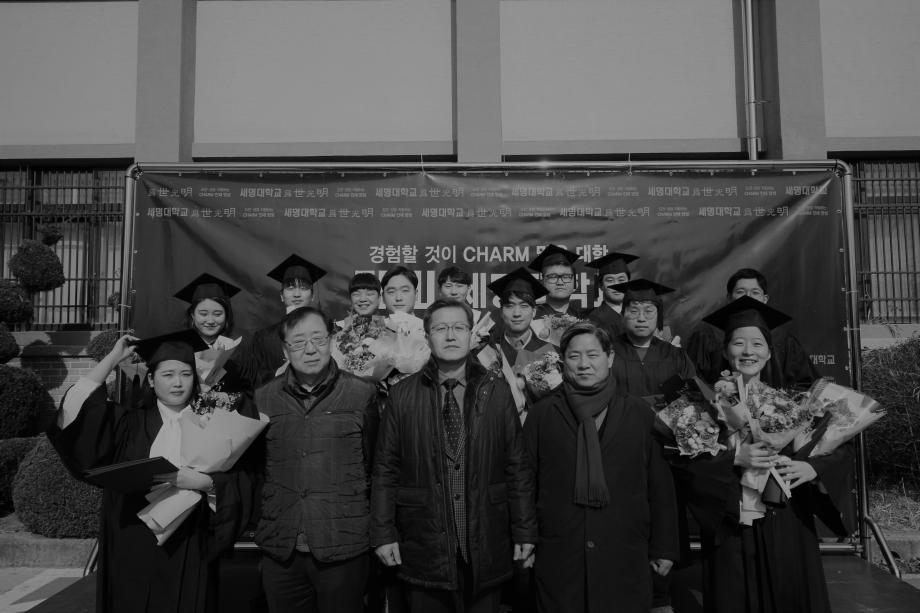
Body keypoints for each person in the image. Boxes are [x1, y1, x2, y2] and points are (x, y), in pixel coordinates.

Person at [47, 330, 257, 613]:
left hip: (191, 543)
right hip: (133, 543)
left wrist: (207, 483)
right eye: (168, 374)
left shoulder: (212, 423)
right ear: (150, 379)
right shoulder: (127, 423)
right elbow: (76, 411)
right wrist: (112, 359)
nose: (177, 383)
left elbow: (246, 480)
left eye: (185, 374)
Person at [371, 299, 537, 613]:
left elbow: (517, 468)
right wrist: (382, 533)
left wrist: (525, 530)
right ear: (427, 336)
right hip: (424, 543)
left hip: (486, 539)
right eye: (441, 328)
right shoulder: (402, 395)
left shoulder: (497, 391)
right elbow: (385, 470)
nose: (450, 336)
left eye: (459, 327)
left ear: (471, 333)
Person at [696, 297, 853, 613]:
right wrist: (735, 457)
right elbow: (687, 465)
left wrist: (812, 468)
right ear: (725, 351)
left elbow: (838, 446)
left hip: (785, 518)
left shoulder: (792, 403)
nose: (748, 351)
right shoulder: (703, 405)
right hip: (731, 522)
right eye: (738, 343)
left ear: (769, 353)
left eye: (757, 344)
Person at [522, 321, 679, 613]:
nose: (584, 364)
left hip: (624, 550)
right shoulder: (542, 415)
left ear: (610, 358)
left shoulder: (639, 412)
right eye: (574, 356)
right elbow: (525, 482)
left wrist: (665, 546)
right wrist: (525, 536)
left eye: (593, 355)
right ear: (562, 361)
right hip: (561, 552)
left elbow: (660, 486)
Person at [254, 306, 380, 613]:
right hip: (282, 547)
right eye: (298, 342)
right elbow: (258, 468)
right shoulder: (263, 398)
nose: (310, 349)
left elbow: (376, 465)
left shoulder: (362, 393)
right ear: (285, 350)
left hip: (343, 544)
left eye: (318, 339)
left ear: (331, 340)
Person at [686, 268, 819, 389]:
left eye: (755, 292)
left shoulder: (783, 339)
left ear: (765, 299)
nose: (748, 297)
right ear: (729, 298)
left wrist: (775, 400)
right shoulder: (706, 335)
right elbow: (691, 382)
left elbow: (807, 385)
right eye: (740, 292)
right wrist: (719, 392)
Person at [233, 254, 327, 389]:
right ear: (282, 296)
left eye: (303, 288)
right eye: (290, 288)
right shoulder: (263, 338)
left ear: (312, 295)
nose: (297, 294)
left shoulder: (327, 333)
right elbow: (251, 377)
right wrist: (278, 373)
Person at [477, 268, 556, 419]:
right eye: (509, 306)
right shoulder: (489, 351)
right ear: (501, 312)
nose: (517, 313)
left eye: (524, 306)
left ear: (534, 312)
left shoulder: (551, 353)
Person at [609, 279, 696, 399]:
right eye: (634, 311)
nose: (641, 318)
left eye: (648, 311)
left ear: (658, 316)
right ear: (622, 317)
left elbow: (693, 395)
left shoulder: (675, 355)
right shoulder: (607, 352)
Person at [174, 272, 245, 393]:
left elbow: (248, 391)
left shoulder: (236, 351)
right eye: (203, 314)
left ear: (226, 316)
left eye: (217, 314)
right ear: (193, 315)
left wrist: (228, 398)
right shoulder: (179, 350)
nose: (210, 321)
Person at [585, 251, 639, 339]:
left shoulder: (639, 314)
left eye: (621, 280)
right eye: (610, 280)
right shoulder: (594, 320)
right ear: (601, 286)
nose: (616, 285)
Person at [527, 244, 588, 319]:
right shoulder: (530, 318)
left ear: (575, 283)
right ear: (542, 283)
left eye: (566, 277)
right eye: (553, 277)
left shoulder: (582, 319)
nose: (560, 282)